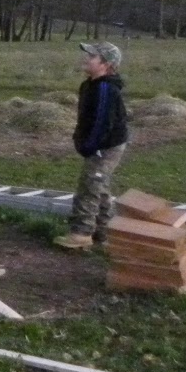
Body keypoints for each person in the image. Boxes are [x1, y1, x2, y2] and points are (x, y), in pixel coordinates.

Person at [55, 41, 129, 250]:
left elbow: (102, 123)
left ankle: (82, 233)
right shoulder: (90, 85)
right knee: (99, 186)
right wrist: (80, 138)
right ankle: (105, 233)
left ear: (106, 64)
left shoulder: (106, 89)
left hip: (106, 145)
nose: (86, 59)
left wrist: (90, 145)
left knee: (90, 185)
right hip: (97, 143)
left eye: (92, 56)